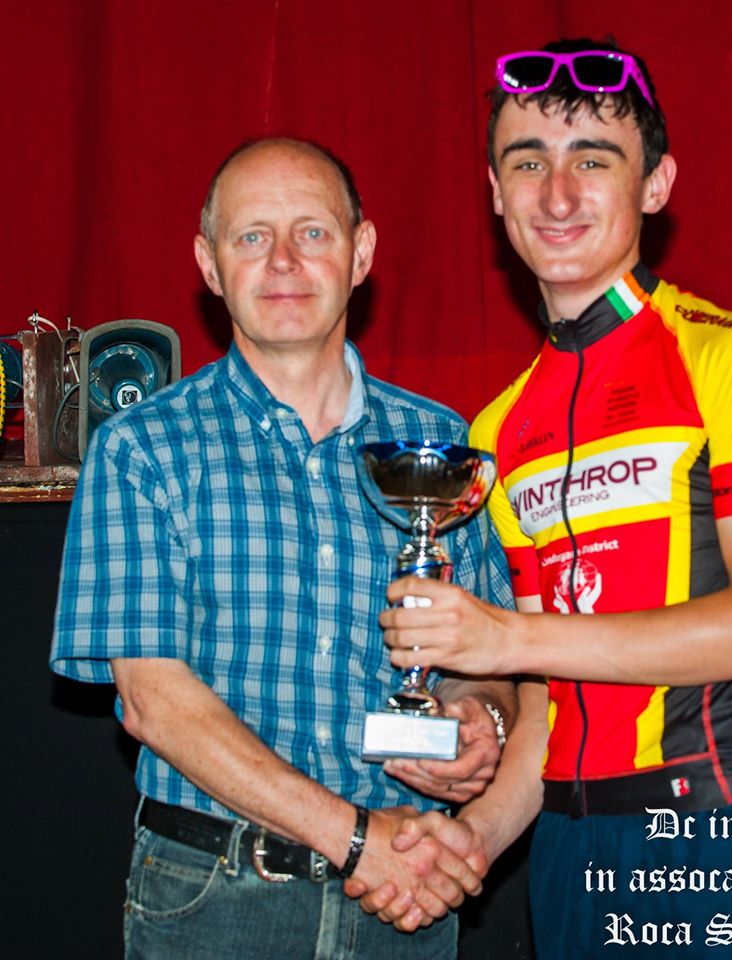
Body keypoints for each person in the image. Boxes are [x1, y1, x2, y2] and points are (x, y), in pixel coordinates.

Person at [361, 37, 732, 958]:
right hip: (572, 853)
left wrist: (504, 637)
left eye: (594, 160)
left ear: (655, 185)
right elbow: (551, 706)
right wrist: (478, 839)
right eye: (527, 162)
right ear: (494, 193)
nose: (557, 193)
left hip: (731, 837)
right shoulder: (498, 430)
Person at [49, 137, 515, 959]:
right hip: (214, 899)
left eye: (313, 232)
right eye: (252, 237)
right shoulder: (140, 450)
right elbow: (154, 701)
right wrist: (360, 839)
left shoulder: (442, 443)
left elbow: (491, 652)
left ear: (361, 252)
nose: (285, 261)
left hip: (408, 902)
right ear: (209, 263)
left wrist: (482, 719)